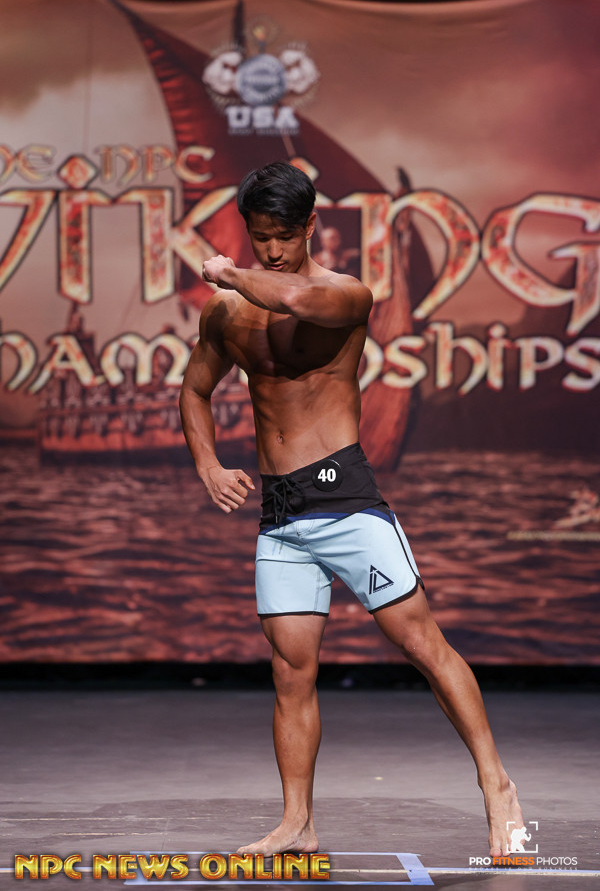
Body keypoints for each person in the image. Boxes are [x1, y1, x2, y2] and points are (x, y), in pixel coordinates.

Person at [179, 161, 523, 858]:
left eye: (283, 235)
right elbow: (195, 390)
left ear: (311, 226)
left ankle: (498, 786)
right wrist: (209, 465)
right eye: (259, 236)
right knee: (290, 673)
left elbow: (294, 300)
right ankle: (298, 823)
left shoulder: (346, 294)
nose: (272, 249)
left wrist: (231, 273)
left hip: (345, 501)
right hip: (280, 514)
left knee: (422, 645)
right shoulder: (227, 313)